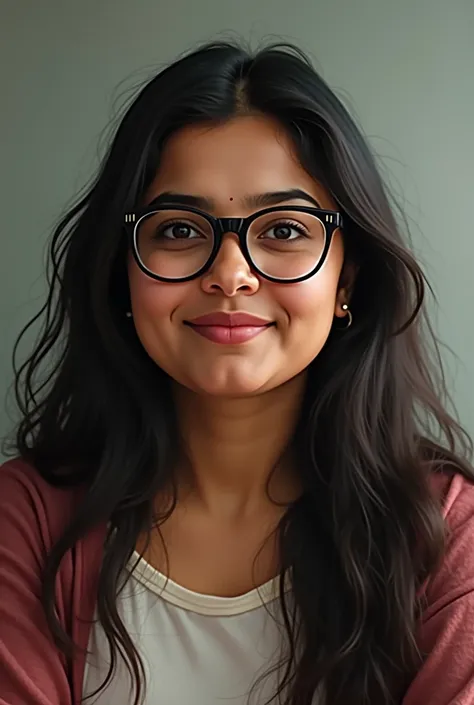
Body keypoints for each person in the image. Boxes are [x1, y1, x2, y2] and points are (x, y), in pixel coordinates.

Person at [0, 40, 473, 705]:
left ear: (348, 278)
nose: (230, 273)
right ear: (122, 273)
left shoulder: (447, 532)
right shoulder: (23, 519)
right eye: (178, 230)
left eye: (283, 230)